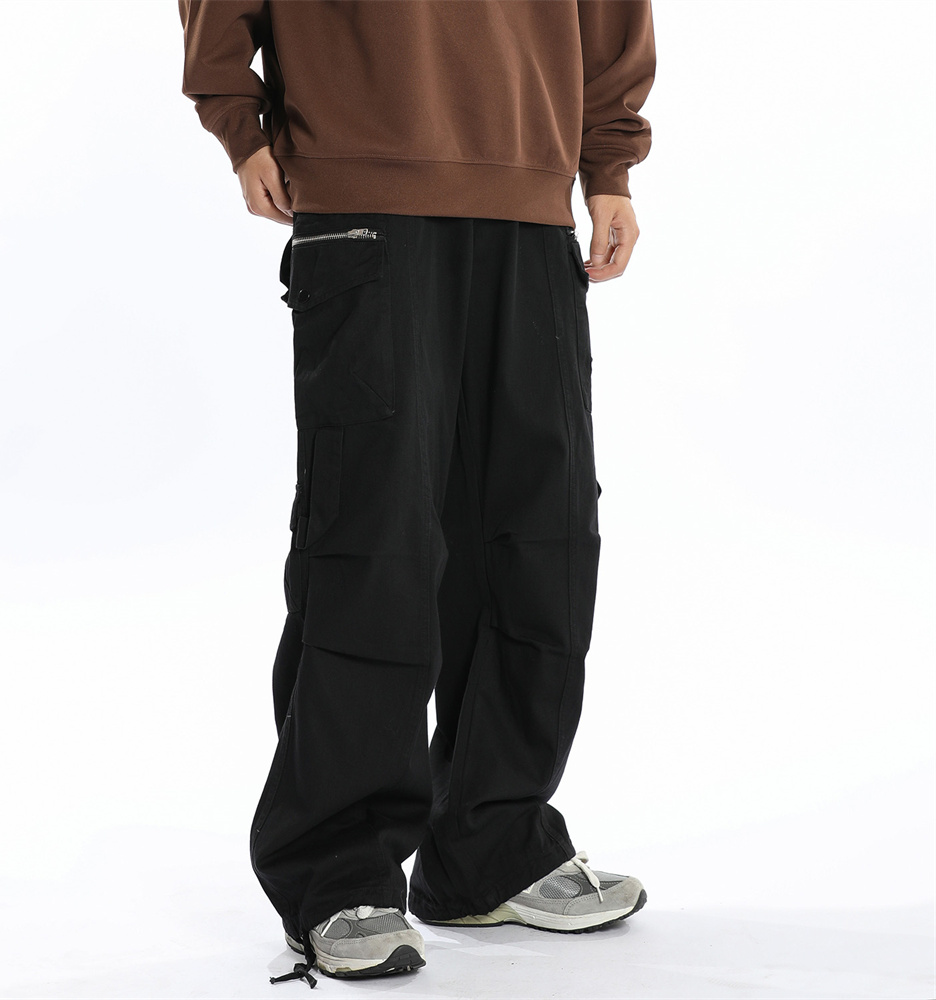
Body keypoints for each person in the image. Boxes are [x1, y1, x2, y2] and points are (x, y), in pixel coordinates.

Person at [178, 0, 656, 987]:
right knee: (374, 538)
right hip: (363, 186)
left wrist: (606, 168)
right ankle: (336, 872)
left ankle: (493, 844)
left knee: (542, 537)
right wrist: (238, 119)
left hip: (532, 202)